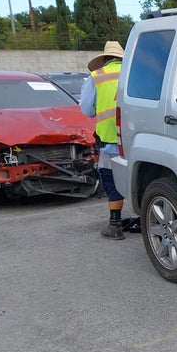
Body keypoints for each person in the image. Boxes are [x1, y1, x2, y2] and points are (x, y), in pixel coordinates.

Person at [80, 40, 126, 240]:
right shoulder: (135, 72)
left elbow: (87, 110)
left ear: (105, 59)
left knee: (111, 178)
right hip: (139, 136)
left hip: (110, 138)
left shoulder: (96, 76)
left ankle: (115, 224)